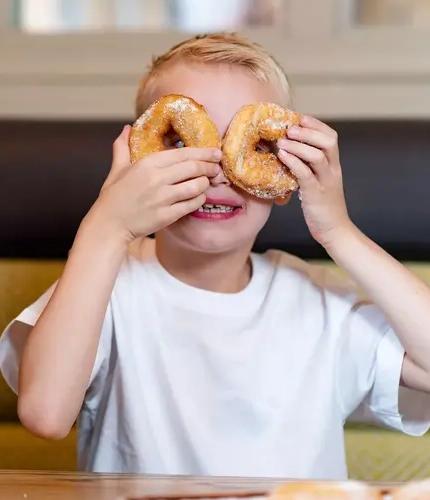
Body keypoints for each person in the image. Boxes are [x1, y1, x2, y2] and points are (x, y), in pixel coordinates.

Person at [1, 32, 430, 480]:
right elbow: (45, 414)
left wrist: (338, 232)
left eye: (250, 147)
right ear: (136, 161)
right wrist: (106, 227)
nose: (217, 173)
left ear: (287, 173)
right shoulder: (104, 287)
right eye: (182, 145)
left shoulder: (322, 305)